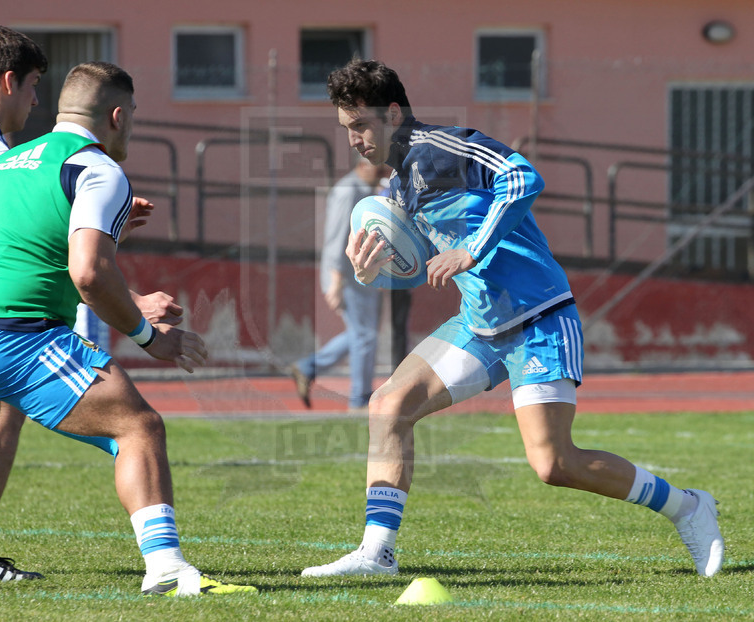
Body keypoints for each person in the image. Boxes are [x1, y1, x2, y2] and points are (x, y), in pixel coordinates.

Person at [302, 59, 724, 578]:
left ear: (392, 113)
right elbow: (418, 266)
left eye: (360, 126)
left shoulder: (444, 146)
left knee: (554, 464)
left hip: (539, 317)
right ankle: (377, 553)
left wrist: (473, 250)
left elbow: (524, 176)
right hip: (479, 324)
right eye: (347, 130)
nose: (354, 141)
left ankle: (689, 506)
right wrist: (371, 272)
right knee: (388, 405)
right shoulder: (399, 186)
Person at [0, 61, 257, 597]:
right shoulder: (96, 169)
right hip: (10, 337)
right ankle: (166, 569)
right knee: (139, 426)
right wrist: (149, 337)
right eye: (133, 115)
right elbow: (89, 273)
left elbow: (22, 254)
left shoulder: (1, 164)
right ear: (117, 115)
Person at [287, 158, 388, 411]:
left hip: (360, 274)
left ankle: (308, 367)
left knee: (359, 333)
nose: (383, 171)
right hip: (346, 276)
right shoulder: (348, 190)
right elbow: (336, 238)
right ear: (363, 165)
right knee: (364, 335)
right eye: (379, 166)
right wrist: (335, 282)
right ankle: (360, 397)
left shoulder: (365, 189)